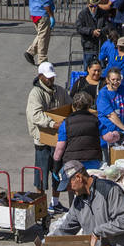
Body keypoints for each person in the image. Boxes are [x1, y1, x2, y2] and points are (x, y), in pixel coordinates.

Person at [28, 160, 124, 246]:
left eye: (69, 185)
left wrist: (98, 231)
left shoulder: (109, 190)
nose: (68, 190)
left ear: (79, 178)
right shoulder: (78, 203)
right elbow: (63, 230)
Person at [26, 61, 70, 215]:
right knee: (41, 175)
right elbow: (35, 116)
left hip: (58, 140)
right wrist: (52, 124)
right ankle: (41, 206)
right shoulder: (35, 94)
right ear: (40, 76)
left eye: (52, 77)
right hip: (42, 141)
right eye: (48, 78)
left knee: (57, 172)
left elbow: (69, 106)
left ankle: (55, 203)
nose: (51, 80)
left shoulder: (60, 91)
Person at [53, 92, 103, 177]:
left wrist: (56, 167)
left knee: (74, 187)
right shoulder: (96, 120)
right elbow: (107, 137)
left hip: (72, 163)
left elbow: (60, 148)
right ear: (89, 106)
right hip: (92, 161)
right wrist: (119, 135)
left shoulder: (66, 123)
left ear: (74, 106)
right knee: (91, 187)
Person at [25, 0, 55, 67]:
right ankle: (42, 60)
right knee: (44, 37)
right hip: (43, 13)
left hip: (34, 11)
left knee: (42, 34)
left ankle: (30, 52)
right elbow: (45, 2)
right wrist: (51, 15)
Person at [96, 67, 124, 147]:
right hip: (109, 133)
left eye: (118, 79)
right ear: (107, 80)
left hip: (122, 132)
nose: (116, 82)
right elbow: (111, 115)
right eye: (113, 79)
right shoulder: (103, 94)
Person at [75, 0, 104, 66]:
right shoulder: (83, 14)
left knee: (100, 66)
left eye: (95, 6)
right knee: (87, 66)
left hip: (100, 44)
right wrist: (91, 32)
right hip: (88, 44)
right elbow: (79, 28)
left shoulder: (103, 13)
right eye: (91, 6)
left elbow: (108, 26)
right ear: (88, 5)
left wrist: (100, 31)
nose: (93, 8)